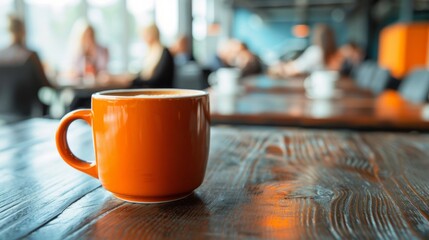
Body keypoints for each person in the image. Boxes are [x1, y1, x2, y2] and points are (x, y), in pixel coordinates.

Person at [268, 24, 338, 78]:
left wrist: (280, 67)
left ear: (317, 37)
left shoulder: (315, 51)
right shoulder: (335, 53)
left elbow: (296, 69)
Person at [128, 24, 175, 88]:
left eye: (144, 35)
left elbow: (157, 80)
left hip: (160, 91)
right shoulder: (150, 52)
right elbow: (143, 74)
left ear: (152, 35)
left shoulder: (164, 53)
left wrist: (133, 81)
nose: (143, 38)